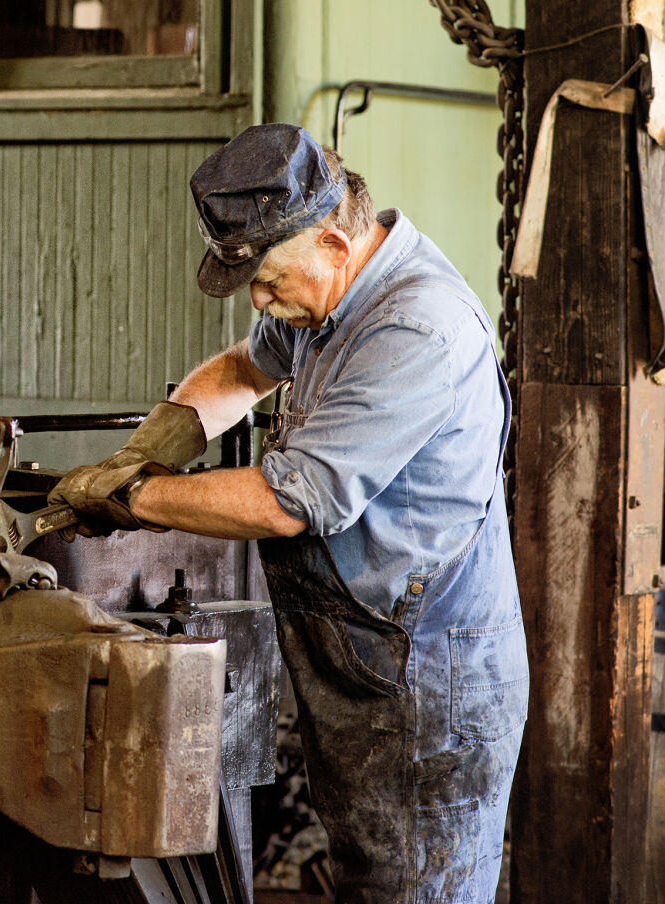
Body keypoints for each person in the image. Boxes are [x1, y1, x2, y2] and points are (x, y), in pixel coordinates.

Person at [47, 123, 527, 904]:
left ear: (335, 245)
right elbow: (245, 366)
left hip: (427, 685)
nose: (262, 302)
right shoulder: (324, 296)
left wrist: (130, 497)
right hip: (366, 662)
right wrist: (153, 445)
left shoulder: (414, 328)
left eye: (268, 281)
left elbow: (285, 500)